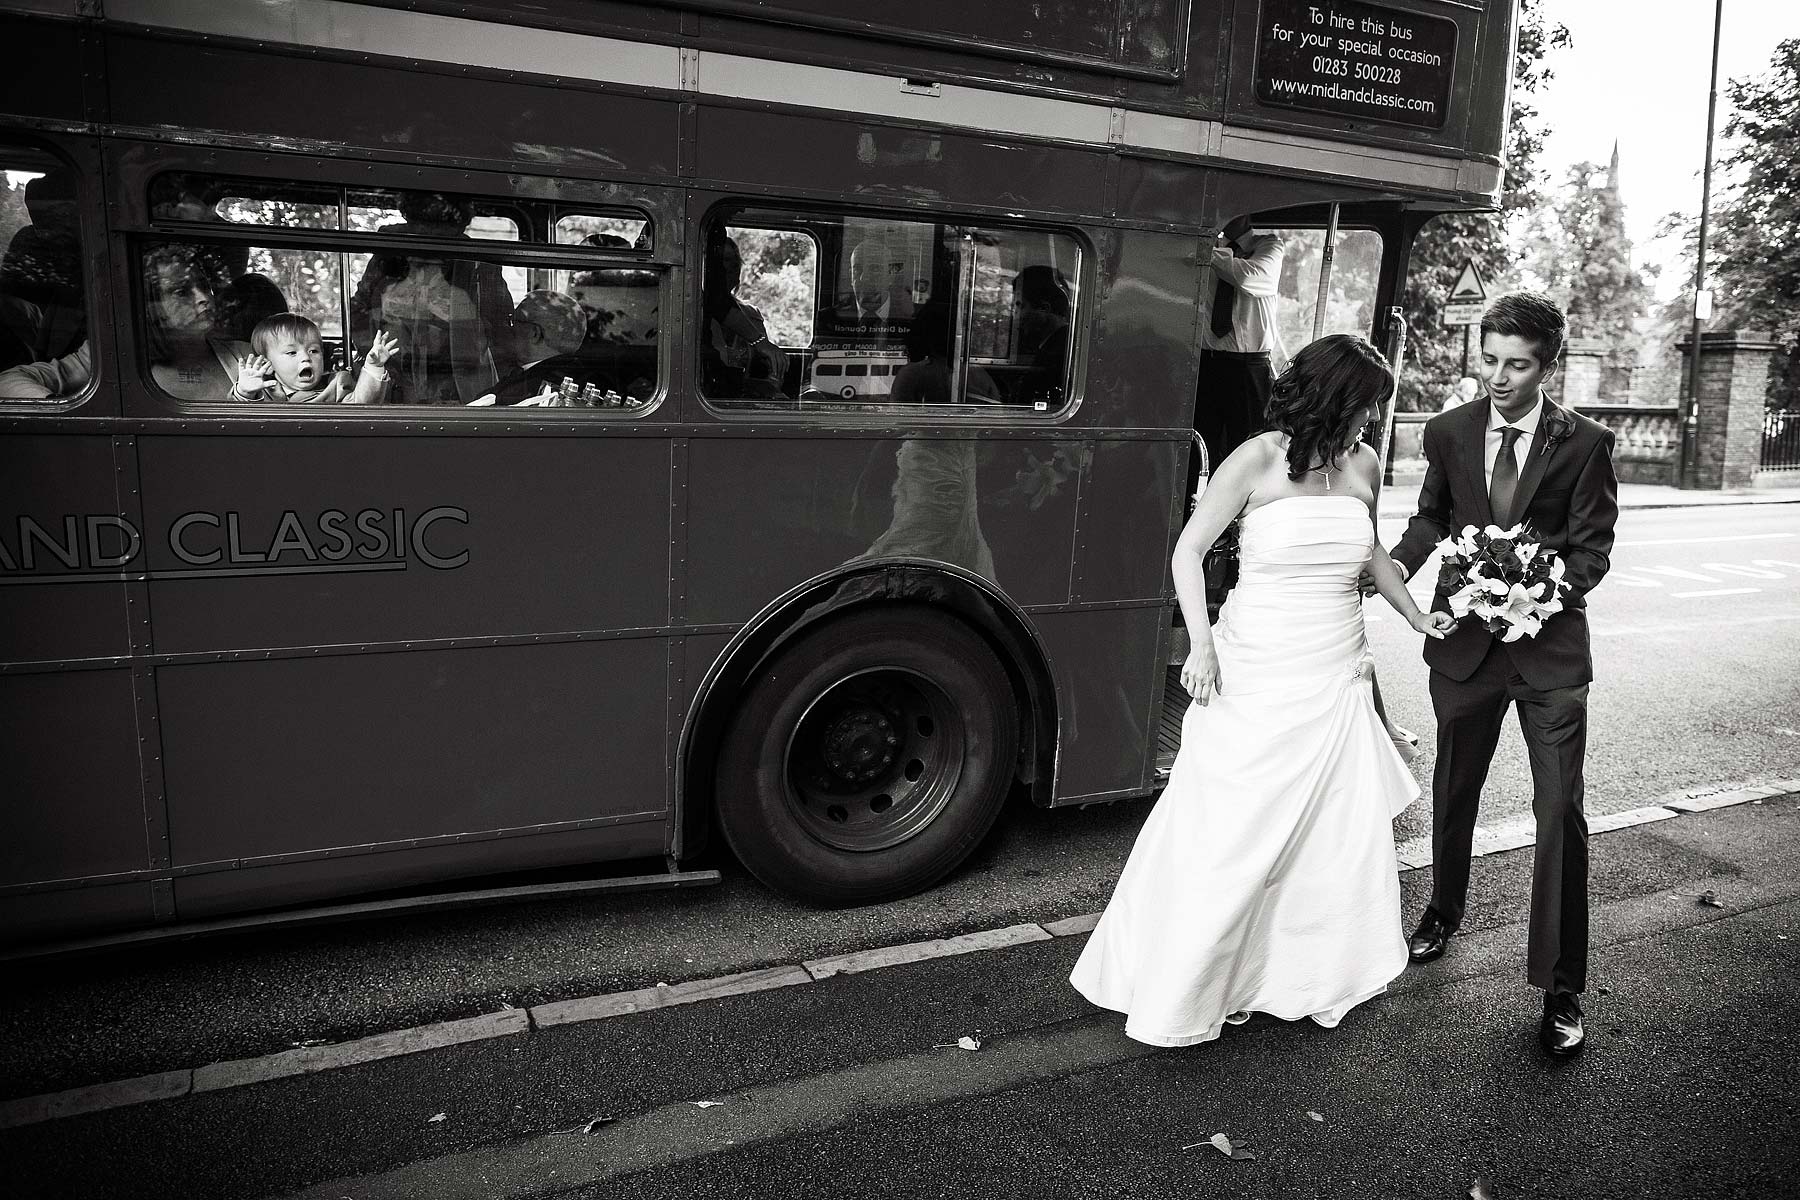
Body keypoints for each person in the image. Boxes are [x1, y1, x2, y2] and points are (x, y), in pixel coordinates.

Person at [1071, 334, 1455, 1046]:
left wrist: (1415, 615)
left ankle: (1301, 974)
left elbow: (1371, 550)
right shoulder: (1256, 458)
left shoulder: (1364, 464)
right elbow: (1188, 551)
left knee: (1328, 837)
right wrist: (1202, 644)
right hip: (1258, 668)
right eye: (1367, 404)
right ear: (1334, 398)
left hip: (1336, 667)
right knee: (1235, 833)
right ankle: (1190, 980)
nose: (1373, 419)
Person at [1389, 291, 1619, 1058]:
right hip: (1464, 650)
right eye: (1489, 360)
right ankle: (1442, 910)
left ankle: (1561, 987)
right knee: (1453, 790)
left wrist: (1540, 592)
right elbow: (1432, 517)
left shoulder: (1586, 443)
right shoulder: (1449, 431)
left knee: (1559, 812)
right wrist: (1396, 567)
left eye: (1516, 365)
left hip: (1550, 657)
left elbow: (1591, 550)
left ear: (1547, 366)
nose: (1498, 377)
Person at [0, 244, 237, 401]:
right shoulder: (111, 355)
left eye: (204, 285)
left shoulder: (241, 354)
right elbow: (9, 380)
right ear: (152, 306)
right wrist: (60, 409)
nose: (203, 298)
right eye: (181, 291)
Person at [347, 191, 516, 404]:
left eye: (445, 226)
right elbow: (359, 314)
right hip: (392, 381)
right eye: (424, 224)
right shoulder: (388, 252)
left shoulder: (478, 264)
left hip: (457, 388)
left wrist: (461, 321)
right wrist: (378, 361)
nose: (432, 235)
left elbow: (500, 334)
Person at [1195, 215, 1285, 470]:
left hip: (1250, 367)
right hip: (1208, 362)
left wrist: (1207, 252)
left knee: (1249, 446)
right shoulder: (1212, 247)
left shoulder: (1269, 245)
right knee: (1201, 445)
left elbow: (1250, 278)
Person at [231, 313, 397, 404]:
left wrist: (374, 367)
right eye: (292, 353)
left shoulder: (336, 385)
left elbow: (363, 405)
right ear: (268, 364)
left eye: (313, 351)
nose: (306, 358)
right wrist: (244, 393)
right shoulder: (262, 391)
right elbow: (238, 421)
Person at [701, 231, 786, 399]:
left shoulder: (752, 315)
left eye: (734, 263)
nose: (729, 268)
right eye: (723, 261)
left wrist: (768, 386)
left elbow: (767, 368)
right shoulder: (692, 312)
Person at [470, 290, 592, 406]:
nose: (508, 328)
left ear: (534, 333)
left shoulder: (539, 386)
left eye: (512, 322)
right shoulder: (575, 373)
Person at [1010, 264, 1072, 406]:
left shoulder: (1057, 353)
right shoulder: (1055, 344)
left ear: (1044, 308)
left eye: (1021, 306)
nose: (1015, 316)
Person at [831, 238, 915, 326]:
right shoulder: (830, 319)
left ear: (891, 276)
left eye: (875, 269)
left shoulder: (914, 317)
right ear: (850, 276)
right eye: (857, 269)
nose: (863, 278)